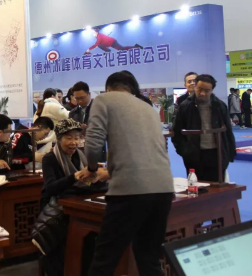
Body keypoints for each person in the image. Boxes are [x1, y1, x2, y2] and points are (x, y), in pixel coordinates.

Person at [80, 71, 174, 276]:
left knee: (104, 259)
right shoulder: (148, 108)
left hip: (130, 189)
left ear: (108, 88)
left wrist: (92, 169)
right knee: (149, 258)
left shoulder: (104, 100)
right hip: (164, 188)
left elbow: (93, 144)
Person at [38, 119, 109, 276]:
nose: (73, 142)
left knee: (92, 235)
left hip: (76, 205)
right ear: (59, 139)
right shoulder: (50, 158)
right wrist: (75, 177)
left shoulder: (81, 156)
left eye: (77, 138)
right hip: (54, 210)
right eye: (68, 138)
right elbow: (51, 188)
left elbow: (87, 184)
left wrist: (97, 178)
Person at [172, 74, 236, 182]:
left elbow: (228, 132)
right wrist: (184, 151)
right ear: (195, 87)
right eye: (199, 89)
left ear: (212, 90)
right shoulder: (185, 106)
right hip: (194, 155)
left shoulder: (220, 106)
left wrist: (229, 154)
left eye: (207, 90)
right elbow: (176, 132)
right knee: (196, 188)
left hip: (216, 154)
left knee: (217, 187)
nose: (202, 93)